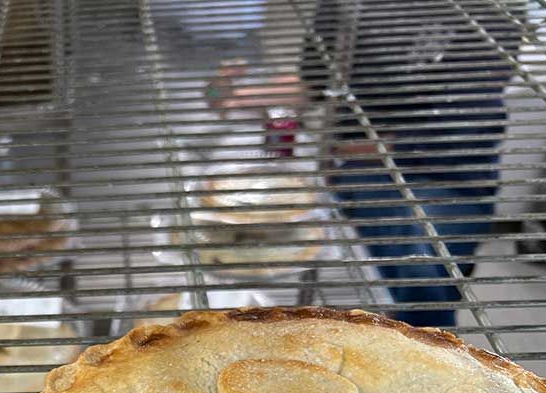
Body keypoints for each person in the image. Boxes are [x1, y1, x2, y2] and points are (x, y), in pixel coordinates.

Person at [214, 1, 523, 327]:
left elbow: (458, 124)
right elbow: (317, 81)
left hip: (446, 172)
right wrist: (238, 96)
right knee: (351, 276)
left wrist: (339, 151)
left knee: (422, 277)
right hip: (356, 167)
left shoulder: (492, 12)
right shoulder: (347, 6)